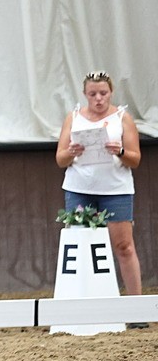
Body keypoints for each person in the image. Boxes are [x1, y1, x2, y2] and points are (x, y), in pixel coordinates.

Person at [56, 70, 142, 295]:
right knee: (80, 244)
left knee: (124, 246)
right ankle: (81, 300)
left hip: (115, 189)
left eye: (103, 93)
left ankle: (137, 307)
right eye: (93, 94)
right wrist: (72, 152)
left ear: (111, 93)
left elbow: (135, 159)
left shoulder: (122, 118)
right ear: (85, 94)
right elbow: (60, 158)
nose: (98, 99)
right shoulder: (73, 118)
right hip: (79, 188)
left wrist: (120, 151)